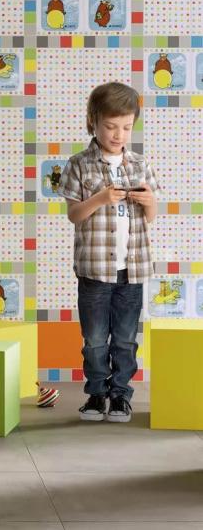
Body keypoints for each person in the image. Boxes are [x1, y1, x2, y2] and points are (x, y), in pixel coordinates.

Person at [58, 82, 160, 423]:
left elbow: (150, 216)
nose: (118, 135)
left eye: (126, 127)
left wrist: (149, 202)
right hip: (94, 269)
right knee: (95, 339)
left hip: (133, 269)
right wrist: (100, 198)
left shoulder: (140, 165)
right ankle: (96, 393)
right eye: (111, 126)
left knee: (126, 339)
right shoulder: (78, 164)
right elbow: (75, 215)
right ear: (93, 121)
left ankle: (120, 395)